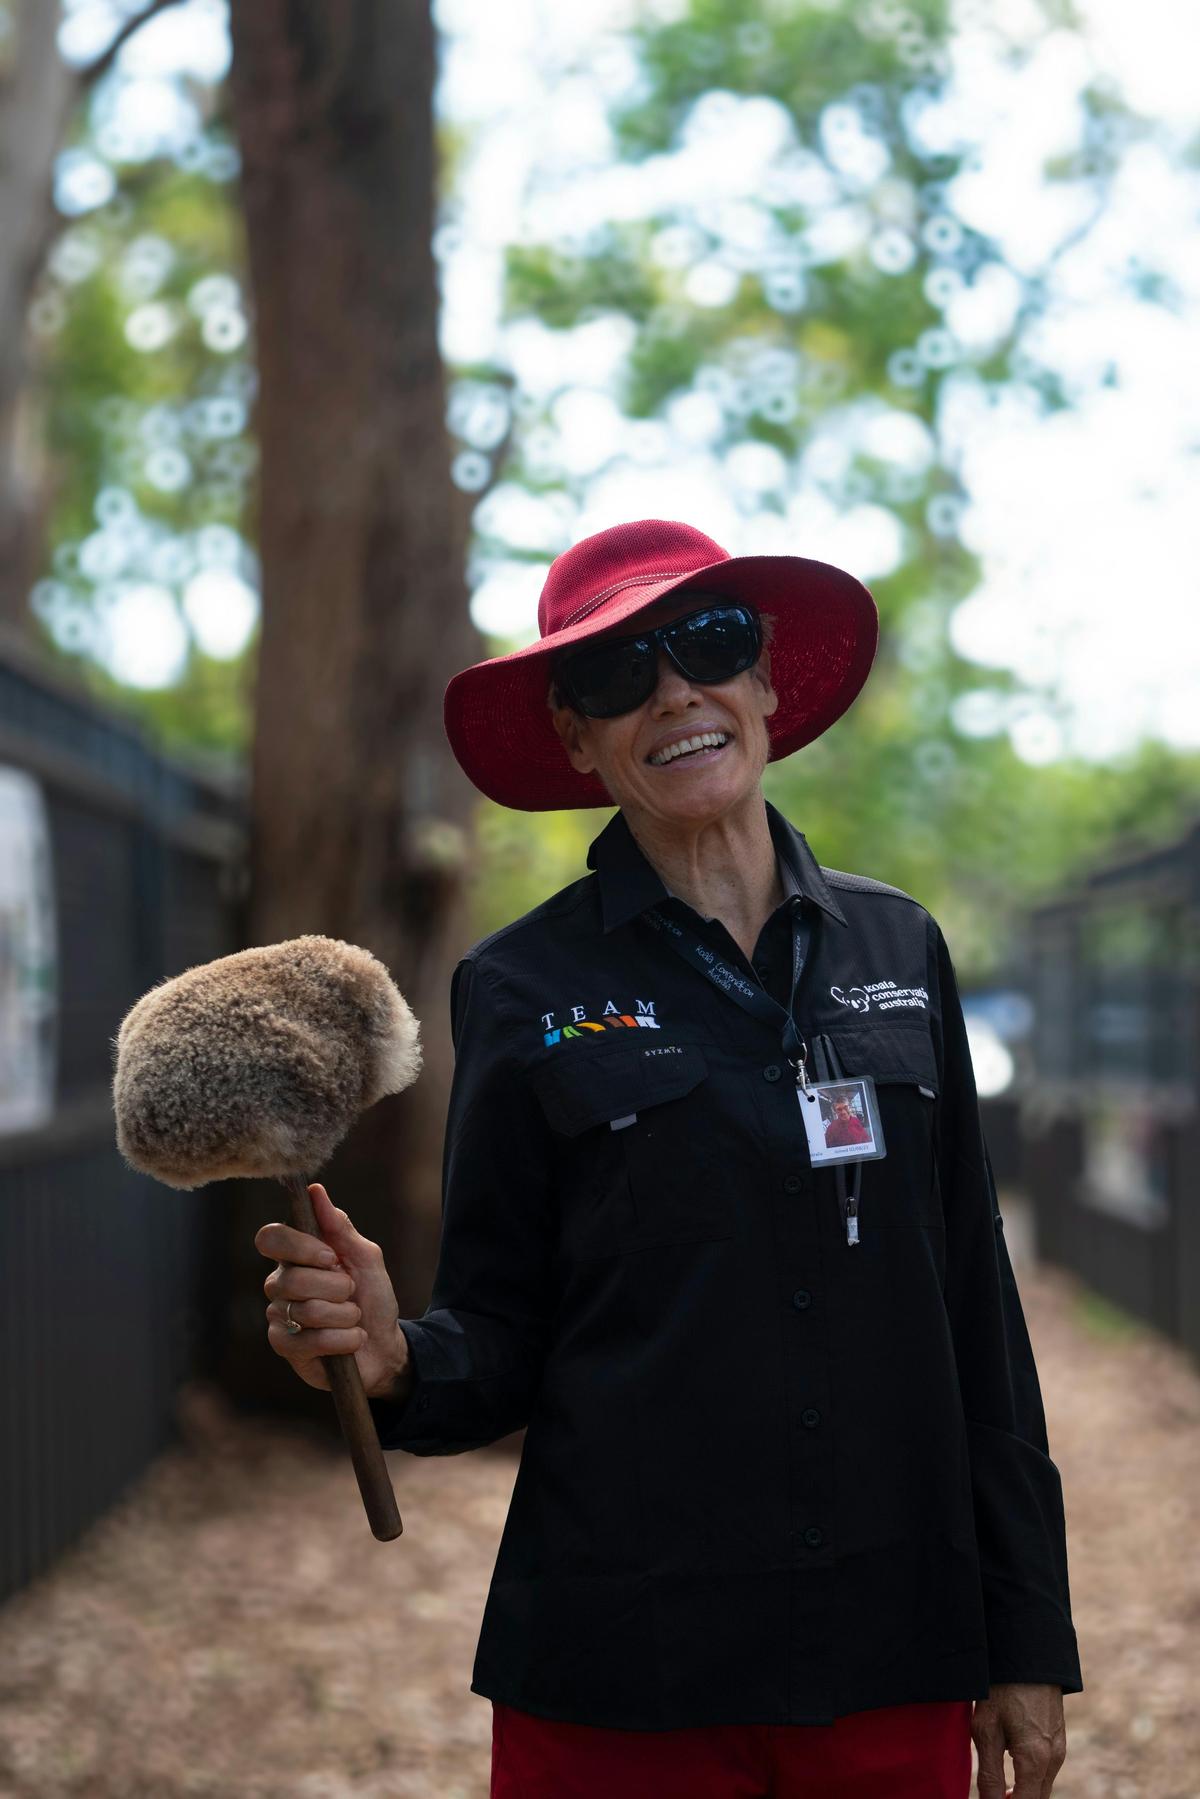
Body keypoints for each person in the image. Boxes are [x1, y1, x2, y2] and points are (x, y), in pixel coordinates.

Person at [256, 519, 1081, 1799]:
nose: (674, 692)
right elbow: (505, 1324)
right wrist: (395, 1355)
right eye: (614, 673)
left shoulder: (898, 946)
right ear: (578, 737)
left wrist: (1027, 1630)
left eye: (707, 645)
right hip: (621, 1667)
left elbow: (978, 1304)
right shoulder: (522, 983)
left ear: (764, 683)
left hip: (894, 1644)